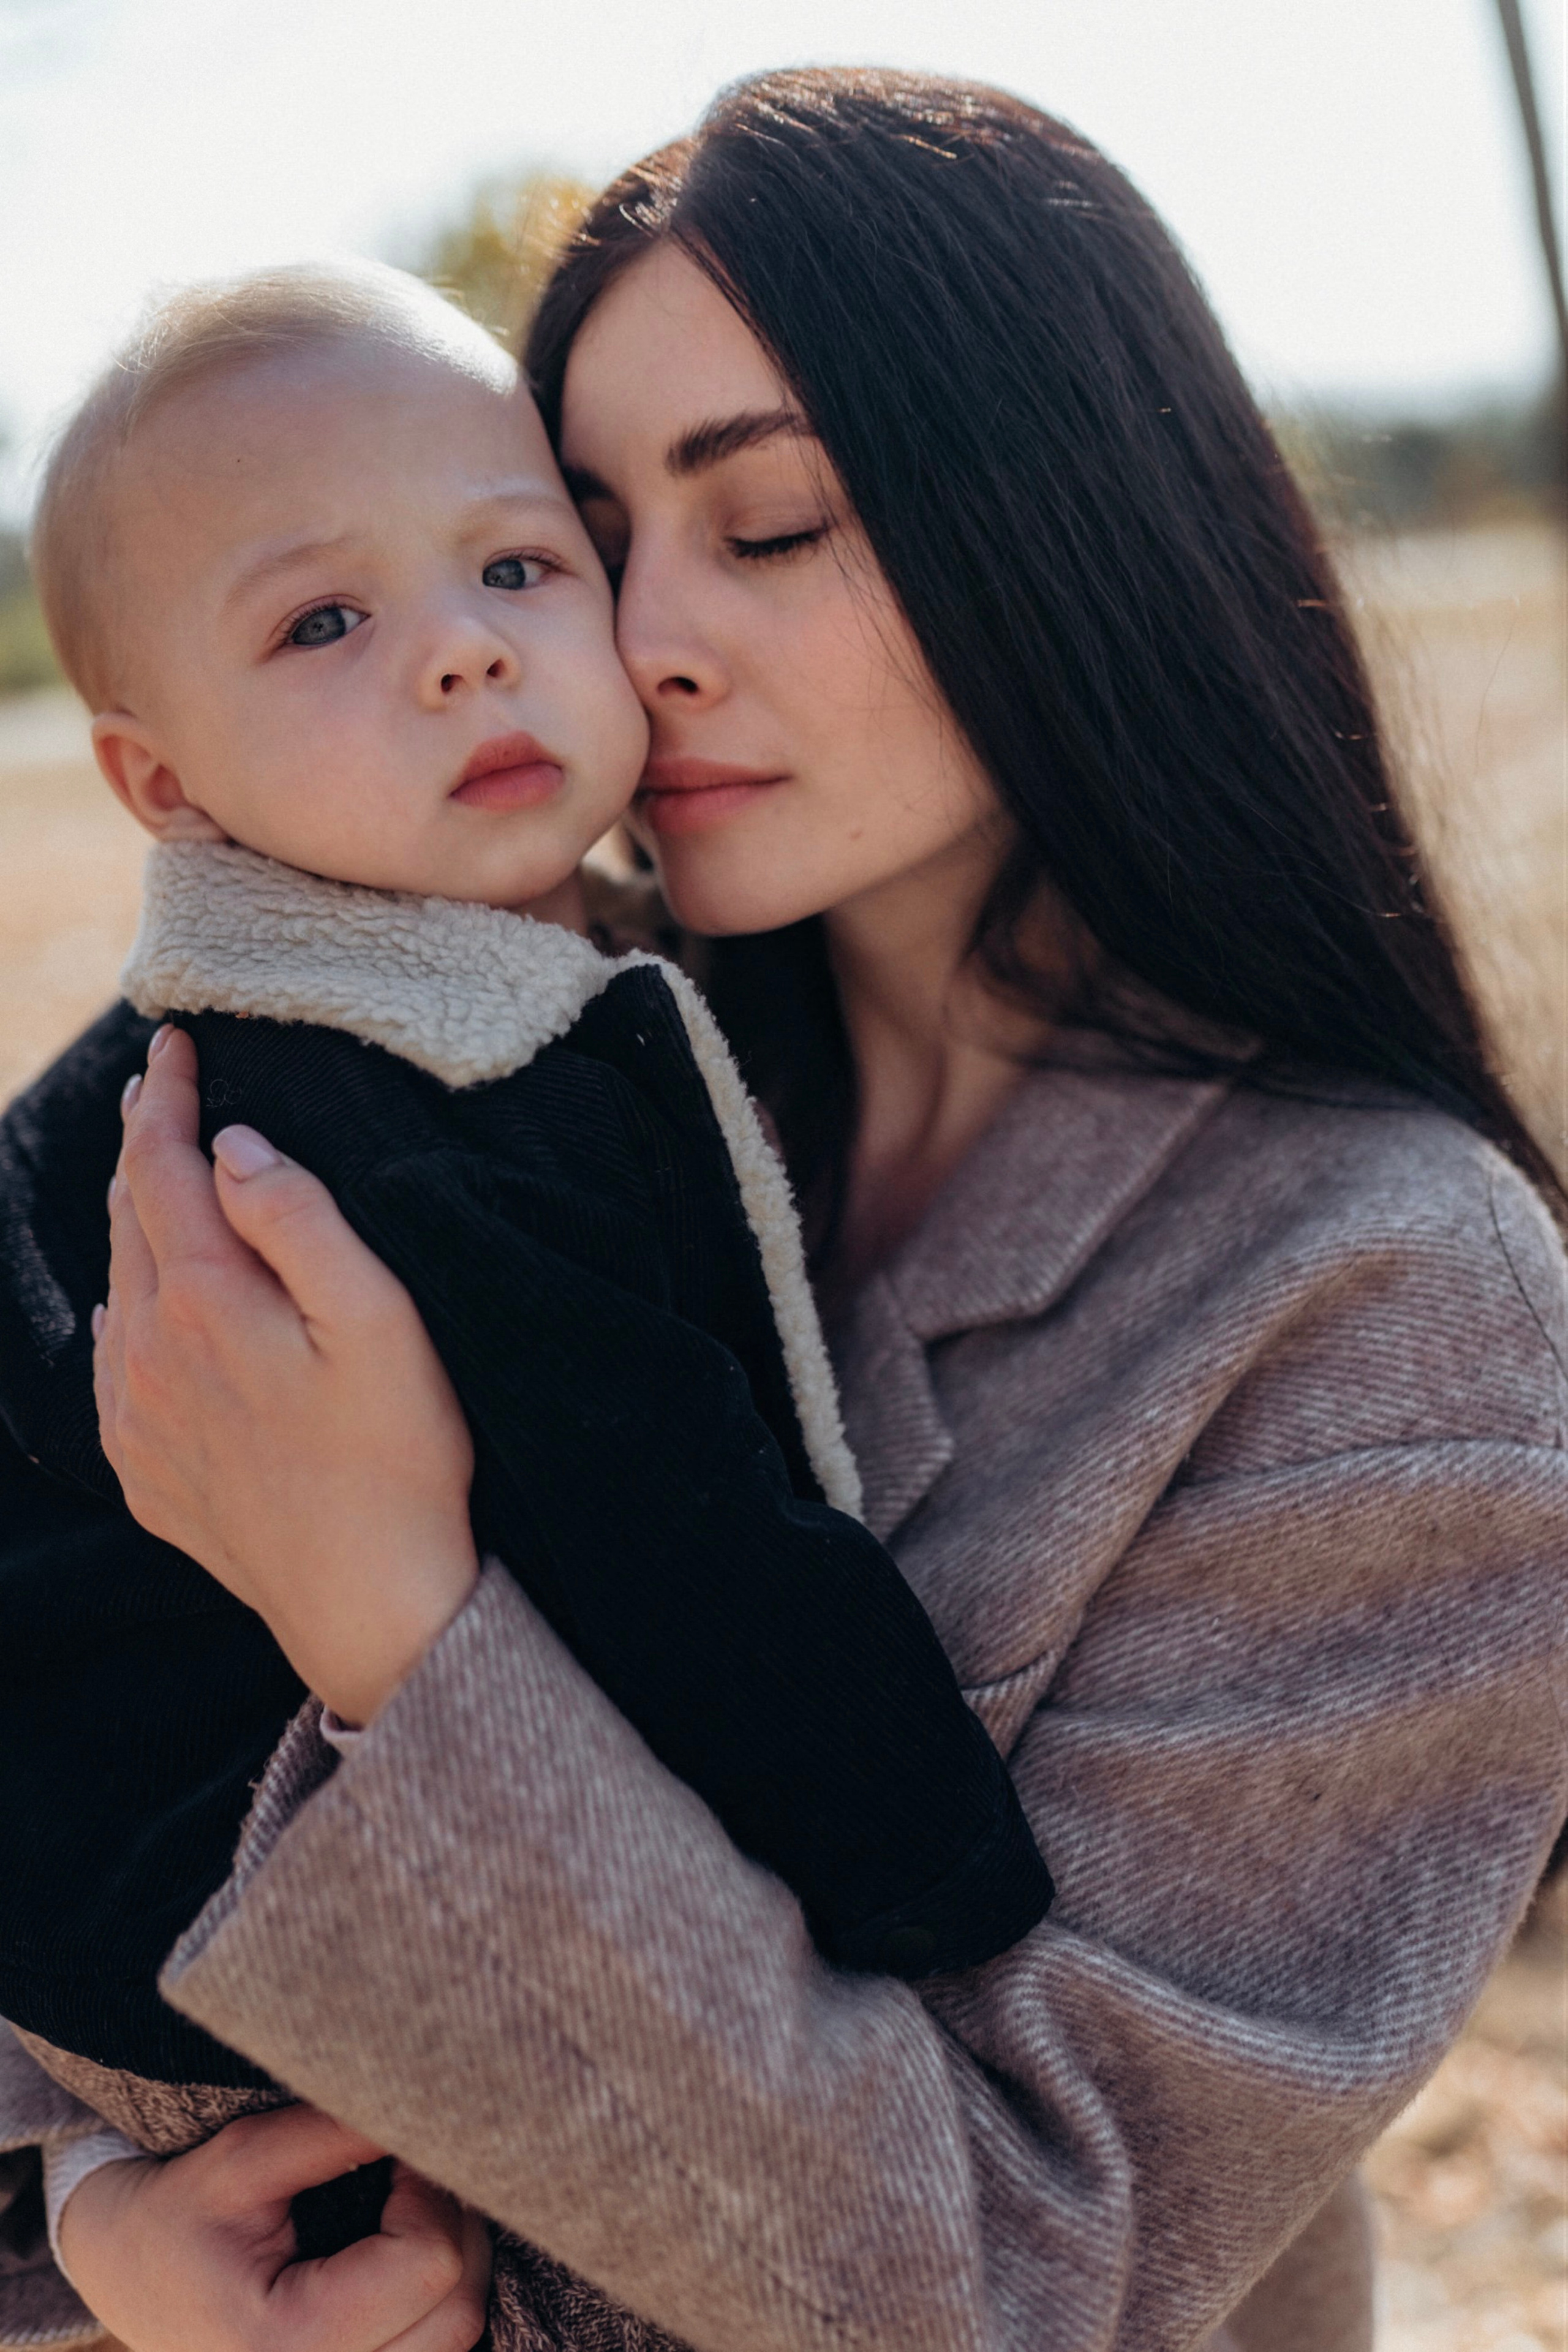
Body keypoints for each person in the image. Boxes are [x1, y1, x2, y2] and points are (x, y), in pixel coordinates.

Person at [9, 63, 1567, 2352]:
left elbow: (1016, 2275)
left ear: (1064, 533)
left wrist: (399, 1636)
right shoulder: (461, 1073)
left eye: (770, 527)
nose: (631, 640)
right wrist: (85, 2222)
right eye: (584, 530)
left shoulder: (1384, 1310)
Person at [0, 254, 1049, 2299]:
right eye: (325, 621)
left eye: (515, 565)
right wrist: (929, 1860)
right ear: (164, 785)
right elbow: (680, 1536)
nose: (464, 659)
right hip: (249, 1977)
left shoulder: (269, 1035)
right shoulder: (402, 1108)